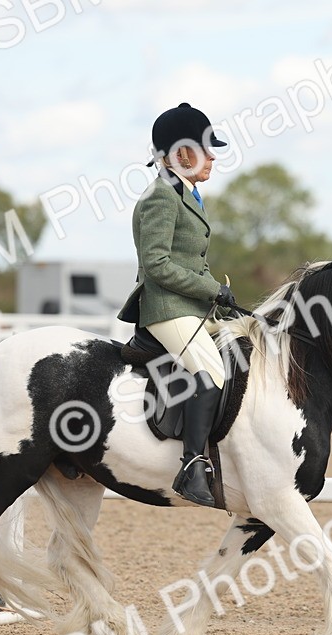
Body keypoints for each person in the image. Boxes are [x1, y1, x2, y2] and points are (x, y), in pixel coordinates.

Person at [117, 103, 237, 508]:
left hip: (190, 306)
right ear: (183, 153)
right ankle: (192, 465)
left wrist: (218, 299)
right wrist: (209, 290)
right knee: (211, 369)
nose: (214, 157)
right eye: (206, 149)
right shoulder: (161, 198)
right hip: (166, 307)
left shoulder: (187, 193)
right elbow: (157, 264)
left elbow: (189, 258)